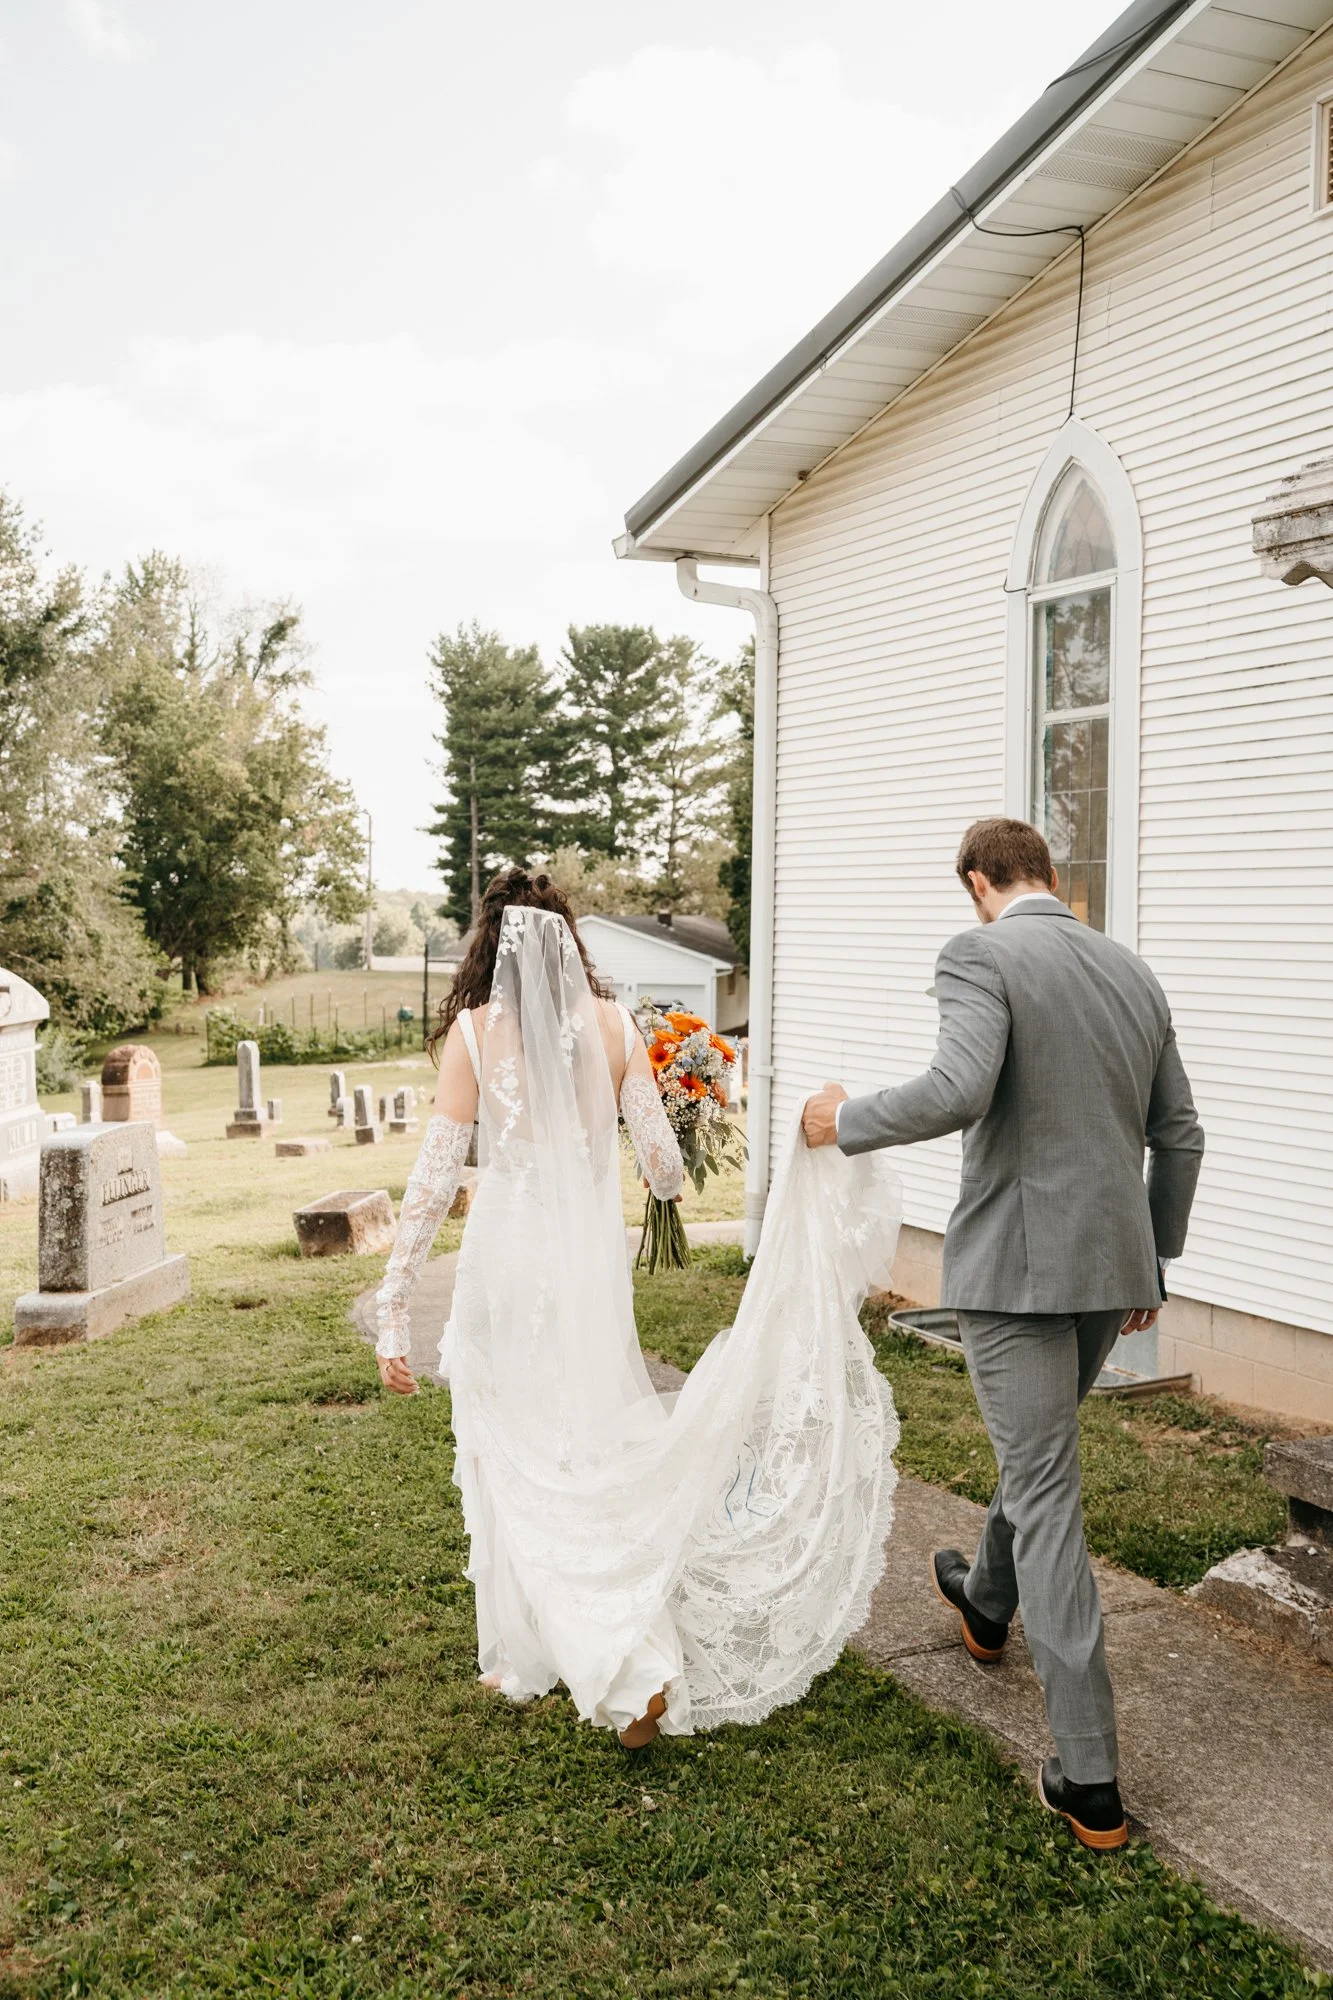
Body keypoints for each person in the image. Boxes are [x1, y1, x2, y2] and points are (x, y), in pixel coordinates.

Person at [376, 866, 902, 1749]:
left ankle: (609, 1664)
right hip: (587, 1275)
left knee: (515, 1457)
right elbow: (663, 1174)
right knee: (582, 1448)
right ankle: (570, 1647)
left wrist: (395, 1304)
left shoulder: (471, 1033)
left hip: (505, 1267)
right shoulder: (618, 1027)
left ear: (492, 946)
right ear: (565, 939)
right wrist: (676, 1113)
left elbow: (432, 1186)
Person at [802, 818, 1203, 1850]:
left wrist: (837, 1117)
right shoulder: (1130, 968)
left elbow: (955, 1089)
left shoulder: (975, 950)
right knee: (1037, 1461)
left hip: (1019, 1273)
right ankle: (984, 1600)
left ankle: (1088, 1771)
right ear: (1050, 877)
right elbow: (1180, 1131)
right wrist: (1153, 1250)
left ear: (979, 883)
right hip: (1111, 1270)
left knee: (1045, 1491)